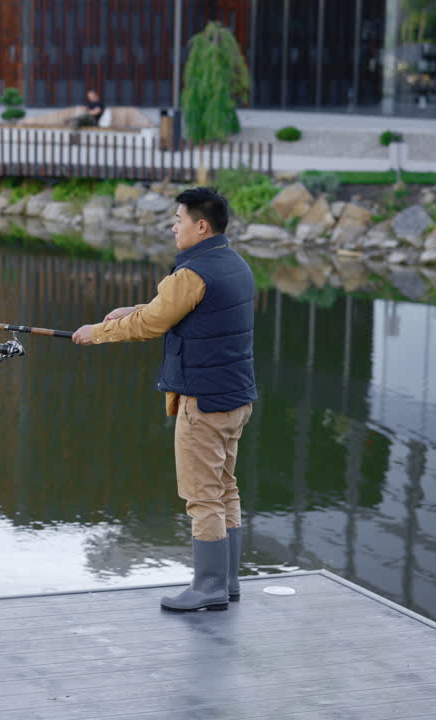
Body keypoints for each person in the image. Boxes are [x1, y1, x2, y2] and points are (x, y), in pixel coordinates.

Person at [72, 187, 257, 612]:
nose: (174, 226)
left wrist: (96, 332)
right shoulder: (235, 264)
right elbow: (181, 310)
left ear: (201, 226)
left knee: (202, 495)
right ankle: (227, 582)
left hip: (204, 403)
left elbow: (154, 324)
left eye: (179, 219)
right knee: (225, 487)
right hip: (236, 399)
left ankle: (208, 585)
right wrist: (132, 308)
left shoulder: (191, 274)